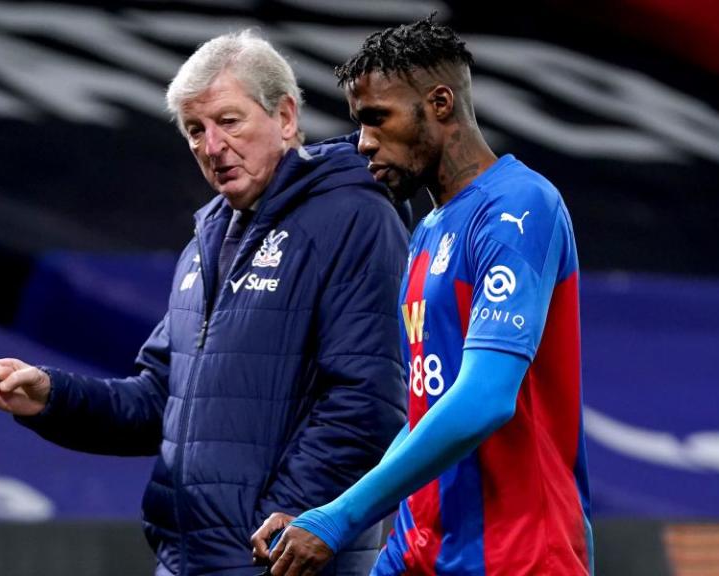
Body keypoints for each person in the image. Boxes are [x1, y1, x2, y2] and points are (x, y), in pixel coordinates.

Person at [0, 30, 409, 576]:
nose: (211, 146)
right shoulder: (208, 240)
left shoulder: (354, 218)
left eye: (229, 121)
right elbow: (158, 402)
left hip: (279, 561)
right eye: (195, 130)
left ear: (286, 117)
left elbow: (367, 402)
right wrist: (50, 396)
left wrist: (284, 525)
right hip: (189, 560)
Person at [252, 17, 593, 576]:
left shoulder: (519, 207)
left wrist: (341, 517)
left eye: (377, 119)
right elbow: (425, 411)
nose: (363, 141)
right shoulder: (429, 232)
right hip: (420, 553)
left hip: (519, 556)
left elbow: (485, 398)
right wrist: (329, 514)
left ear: (439, 103)